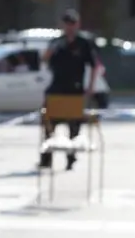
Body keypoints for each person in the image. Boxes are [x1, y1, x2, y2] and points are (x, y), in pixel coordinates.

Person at [40, 9, 100, 170]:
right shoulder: (57, 42)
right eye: (67, 24)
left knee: (74, 127)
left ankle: (71, 158)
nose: (70, 27)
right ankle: (46, 158)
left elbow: (95, 66)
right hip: (57, 88)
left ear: (77, 24)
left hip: (75, 90)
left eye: (72, 24)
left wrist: (91, 87)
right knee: (48, 122)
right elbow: (45, 60)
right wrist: (50, 52)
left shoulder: (83, 43)